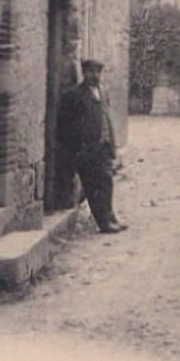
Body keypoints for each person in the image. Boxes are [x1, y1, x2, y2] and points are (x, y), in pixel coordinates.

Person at [56, 59, 125, 234]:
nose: (95, 76)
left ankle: (110, 216)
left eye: (97, 72)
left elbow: (106, 117)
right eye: (91, 72)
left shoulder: (102, 92)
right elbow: (65, 125)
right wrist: (77, 147)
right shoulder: (74, 95)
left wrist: (111, 143)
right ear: (84, 73)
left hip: (104, 147)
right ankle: (103, 222)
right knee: (92, 186)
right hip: (87, 150)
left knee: (107, 183)